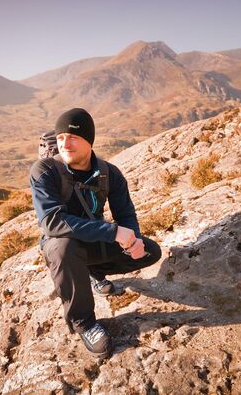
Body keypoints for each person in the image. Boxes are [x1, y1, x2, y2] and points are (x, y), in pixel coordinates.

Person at [30, 108, 162, 358]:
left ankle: (94, 272)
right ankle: (84, 323)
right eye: (60, 138)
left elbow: (125, 214)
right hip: (64, 245)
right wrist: (113, 233)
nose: (64, 144)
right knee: (63, 248)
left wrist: (132, 240)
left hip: (94, 241)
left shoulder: (109, 173)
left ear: (89, 141)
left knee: (150, 252)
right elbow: (52, 222)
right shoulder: (44, 170)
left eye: (73, 137)